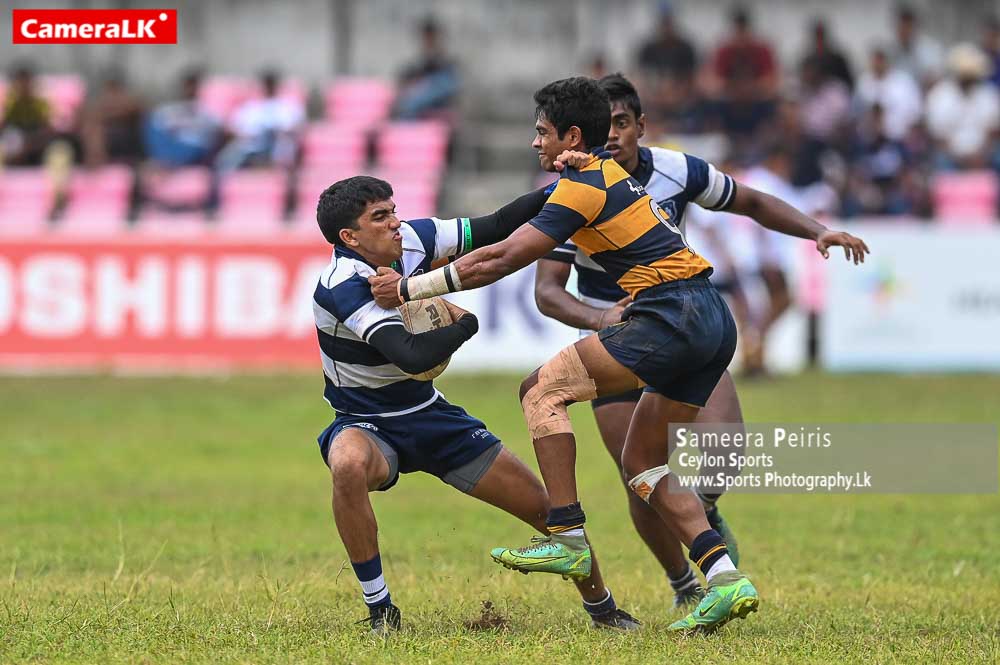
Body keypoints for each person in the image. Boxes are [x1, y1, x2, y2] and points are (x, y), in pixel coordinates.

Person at [369, 76, 869, 632]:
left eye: (541, 132)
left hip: (666, 314)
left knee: (540, 390)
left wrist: (411, 289)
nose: (535, 143)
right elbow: (512, 242)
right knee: (641, 464)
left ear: (573, 135)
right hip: (709, 315)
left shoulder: (583, 187)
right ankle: (724, 578)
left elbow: (504, 257)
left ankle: (568, 536)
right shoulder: (600, 174)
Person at [533, 73, 863, 607]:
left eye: (623, 123)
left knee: (722, 452)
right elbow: (548, 291)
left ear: (641, 125)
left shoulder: (676, 170)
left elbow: (750, 202)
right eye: (605, 125)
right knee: (640, 476)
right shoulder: (569, 193)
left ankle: (702, 510)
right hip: (616, 340)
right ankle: (686, 585)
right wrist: (599, 319)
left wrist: (816, 231)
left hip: (679, 324)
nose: (613, 134)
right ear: (585, 132)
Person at [312, 176, 639, 637]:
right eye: (380, 218)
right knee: (347, 463)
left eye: (393, 209)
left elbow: (497, 225)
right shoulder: (342, 285)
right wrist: (466, 322)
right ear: (350, 237)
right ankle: (380, 609)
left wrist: (567, 187)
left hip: (429, 415)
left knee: (546, 511)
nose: (396, 223)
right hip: (367, 422)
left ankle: (604, 610)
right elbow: (413, 355)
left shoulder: (416, 239)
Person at [926, 43, 1000, 170]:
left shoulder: (988, 95)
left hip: (983, 155)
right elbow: (938, 136)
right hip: (950, 156)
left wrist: (980, 155)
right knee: (938, 163)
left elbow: (993, 132)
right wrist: (959, 159)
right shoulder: (940, 95)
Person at [215, 69, 304, 172]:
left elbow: (297, 128)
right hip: (253, 146)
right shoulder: (251, 107)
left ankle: (282, 177)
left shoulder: (289, 106)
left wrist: (279, 133)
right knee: (230, 154)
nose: (269, 86)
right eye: (267, 83)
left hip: (277, 147)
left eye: (271, 83)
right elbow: (235, 129)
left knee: (285, 144)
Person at [391, 17, 460, 121]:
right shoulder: (421, 58)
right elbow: (410, 75)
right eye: (426, 37)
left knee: (412, 103)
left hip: (438, 92)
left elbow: (447, 81)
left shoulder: (444, 58)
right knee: (407, 101)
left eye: (430, 36)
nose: (427, 40)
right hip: (424, 95)